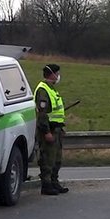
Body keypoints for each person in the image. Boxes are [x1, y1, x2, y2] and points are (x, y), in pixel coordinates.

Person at [34, 63, 68, 196]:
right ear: (51, 74)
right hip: (49, 130)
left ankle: (54, 182)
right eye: (57, 73)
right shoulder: (43, 90)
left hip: (56, 129)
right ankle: (46, 185)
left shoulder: (52, 89)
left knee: (56, 159)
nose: (58, 76)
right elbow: (42, 113)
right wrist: (47, 132)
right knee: (48, 158)